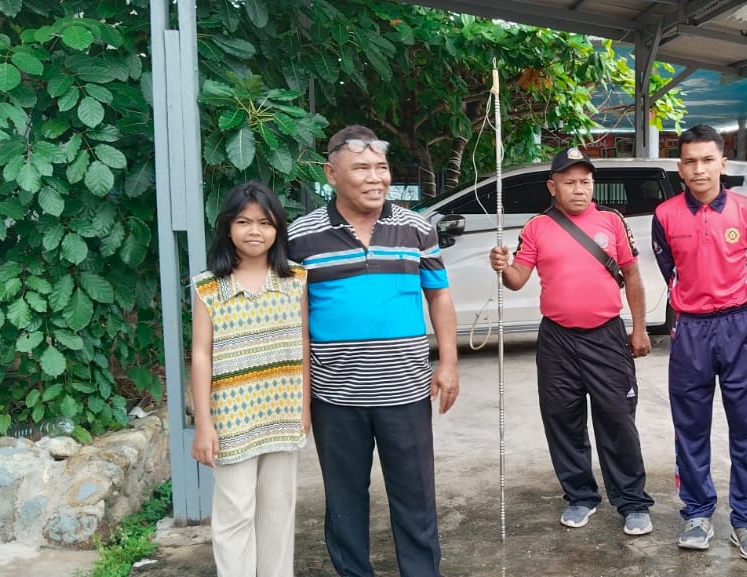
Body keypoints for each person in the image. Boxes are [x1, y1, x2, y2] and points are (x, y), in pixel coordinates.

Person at [288, 125, 459, 577]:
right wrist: (302, 396)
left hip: (406, 390)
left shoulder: (416, 228)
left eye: (381, 167)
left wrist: (448, 362)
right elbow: (296, 322)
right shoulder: (301, 237)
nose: (375, 178)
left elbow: (439, 295)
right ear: (331, 174)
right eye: (361, 168)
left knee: (415, 496)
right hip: (335, 395)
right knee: (344, 500)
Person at [488, 147, 656, 536]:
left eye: (585, 182)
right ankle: (580, 496)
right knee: (562, 420)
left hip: (606, 336)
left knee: (617, 419)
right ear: (553, 187)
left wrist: (639, 328)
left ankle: (632, 502)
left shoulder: (612, 221)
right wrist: (503, 267)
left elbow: (632, 276)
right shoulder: (537, 227)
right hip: (557, 340)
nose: (579, 189)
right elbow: (517, 280)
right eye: (569, 183)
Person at [651, 124, 747, 560]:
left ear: (723, 162)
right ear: (679, 168)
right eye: (690, 162)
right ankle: (697, 513)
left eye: (707, 160)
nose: (699, 169)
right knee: (690, 427)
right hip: (691, 331)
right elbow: (670, 270)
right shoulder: (665, 216)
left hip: (739, 328)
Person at [191, 181, 310, 577]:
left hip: (282, 411)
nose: (254, 231)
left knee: (278, 509)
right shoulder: (209, 286)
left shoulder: (296, 280)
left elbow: (303, 342)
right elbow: (201, 354)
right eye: (243, 222)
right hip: (232, 417)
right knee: (235, 512)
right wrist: (203, 424)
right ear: (228, 227)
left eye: (265, 222)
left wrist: (305, 407)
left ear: (278, 229)